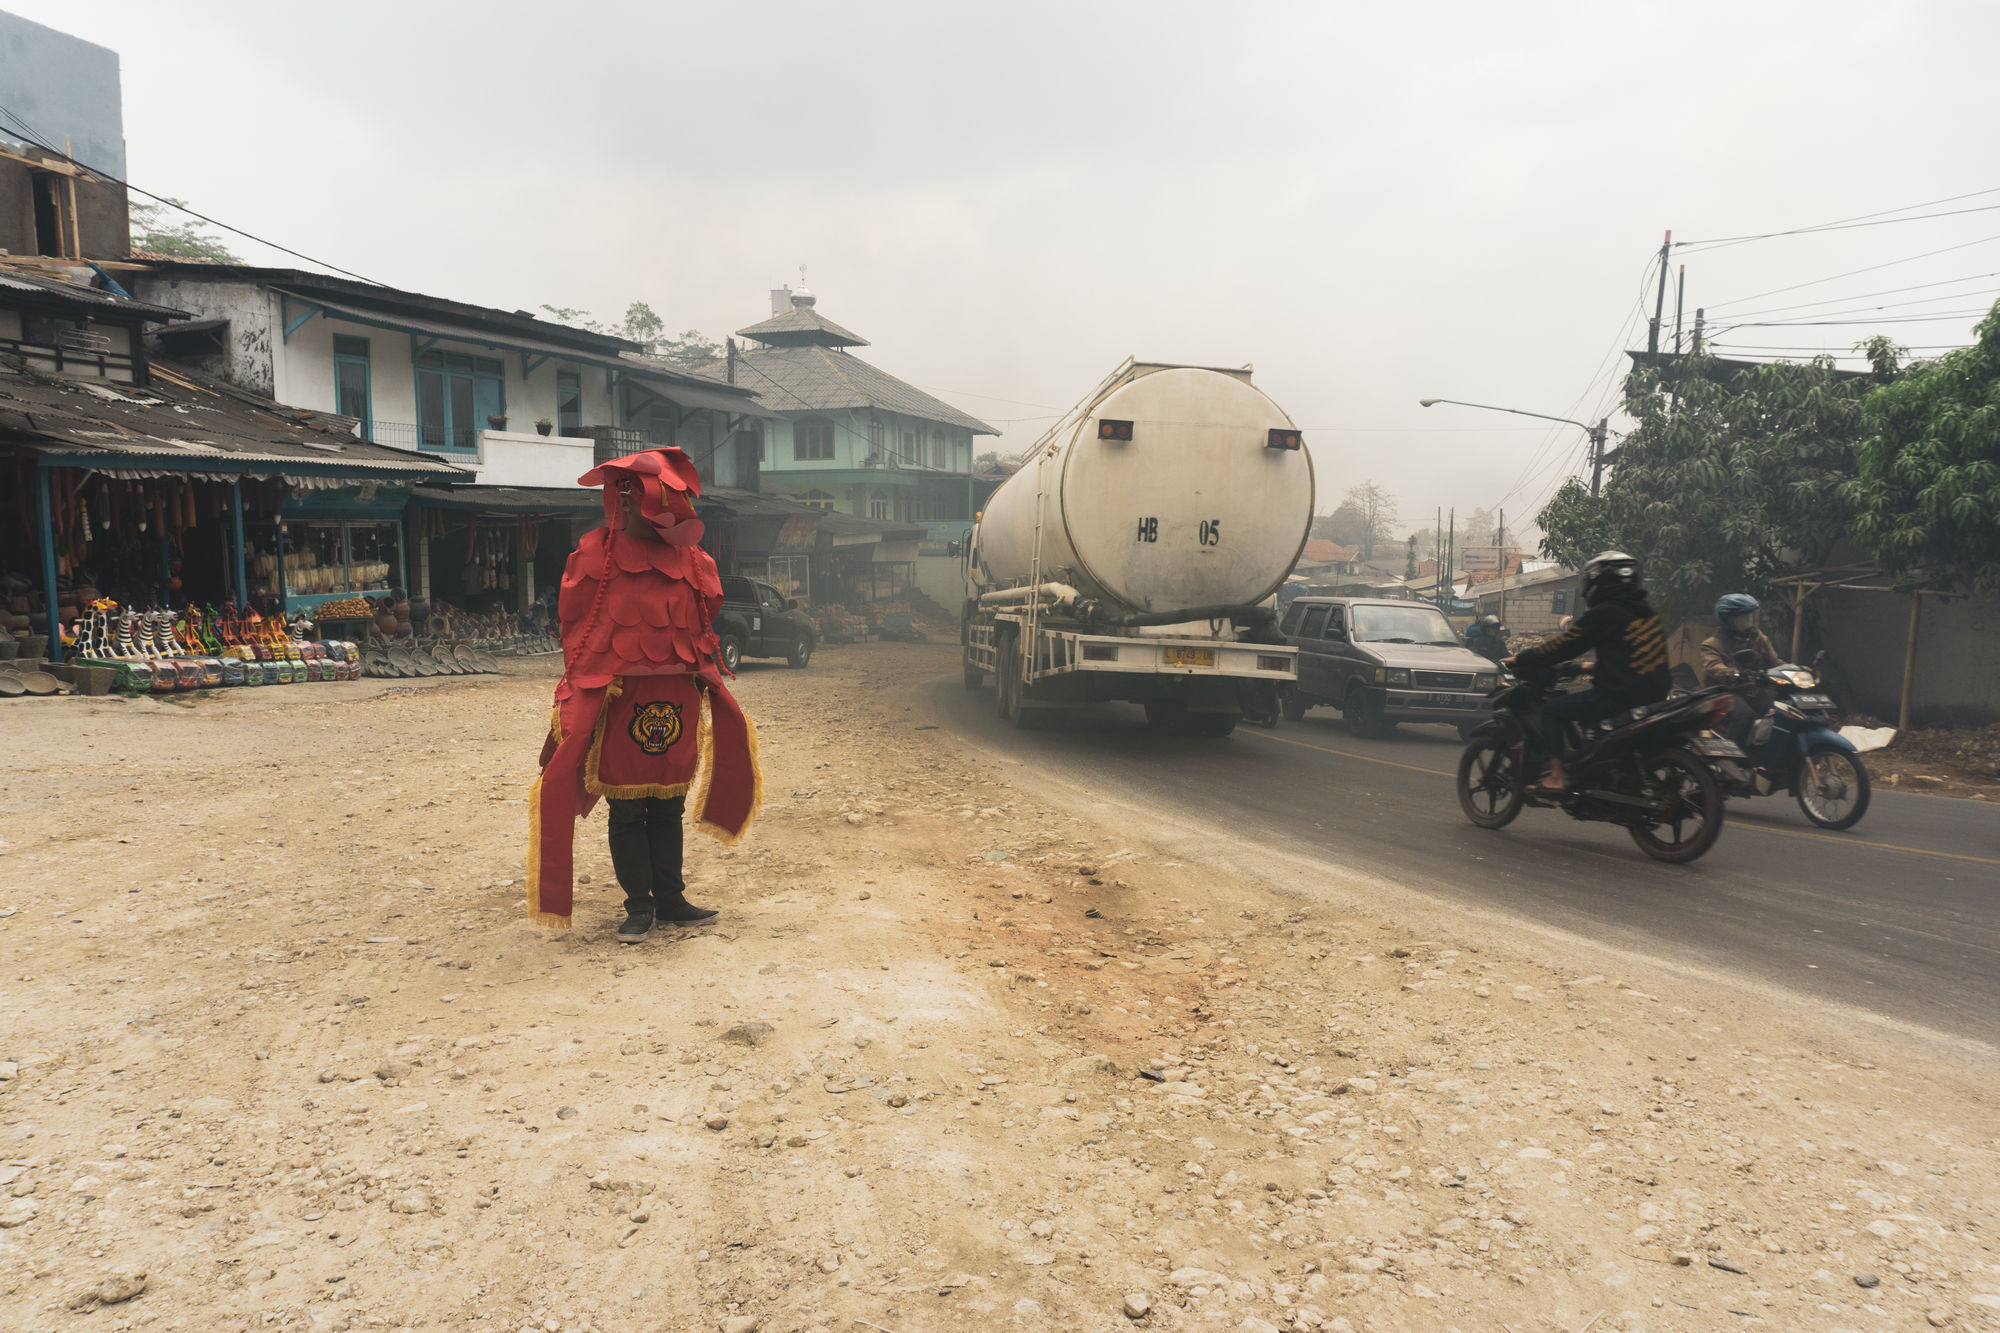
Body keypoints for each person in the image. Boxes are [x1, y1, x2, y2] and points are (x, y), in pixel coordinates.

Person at [527, 447, 762, 939]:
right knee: (628, 807)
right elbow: (577, 629)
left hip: (677, 696)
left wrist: (701, 673)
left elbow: (703, 624)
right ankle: (638, 906)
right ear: (625, 501)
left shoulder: (694, 560)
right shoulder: (594, 556)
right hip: (620, 699)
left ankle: (671, 898)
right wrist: (591, 686)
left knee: (669, 803)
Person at [1504, 551, 1671, 792]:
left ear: (1597, 582)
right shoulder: (1647, 612)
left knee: (1552, 710)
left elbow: (1564, 645)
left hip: (1619, 695)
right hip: (1655, 696)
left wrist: (1522, 657)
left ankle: (1557, 777)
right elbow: (1629, 654)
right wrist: (1592, 667)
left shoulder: (1605, 612)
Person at [1701, 592, 1781, 745]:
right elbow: (1714, 667)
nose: (1749, 621)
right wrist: (1736, 673)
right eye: (1744, 617)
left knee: (1775, 712)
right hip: (1724, 692)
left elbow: (1775, 662)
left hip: (1751, 690)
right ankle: (1731, 754)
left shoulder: (1757, 638)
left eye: (1750, 616)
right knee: (1745, 715)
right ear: (1728, 620)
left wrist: (1796, 671)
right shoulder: (1711, 644)